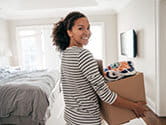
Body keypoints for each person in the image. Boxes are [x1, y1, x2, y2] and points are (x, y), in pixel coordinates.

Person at [52, 11, 146, 125]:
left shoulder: (65, 54)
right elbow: (105, 94)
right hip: (87, 120)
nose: (87, 32)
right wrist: (135, 106)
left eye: (88, 28)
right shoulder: (83, 54)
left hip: (71, 118)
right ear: (70, 32)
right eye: (81, 28)